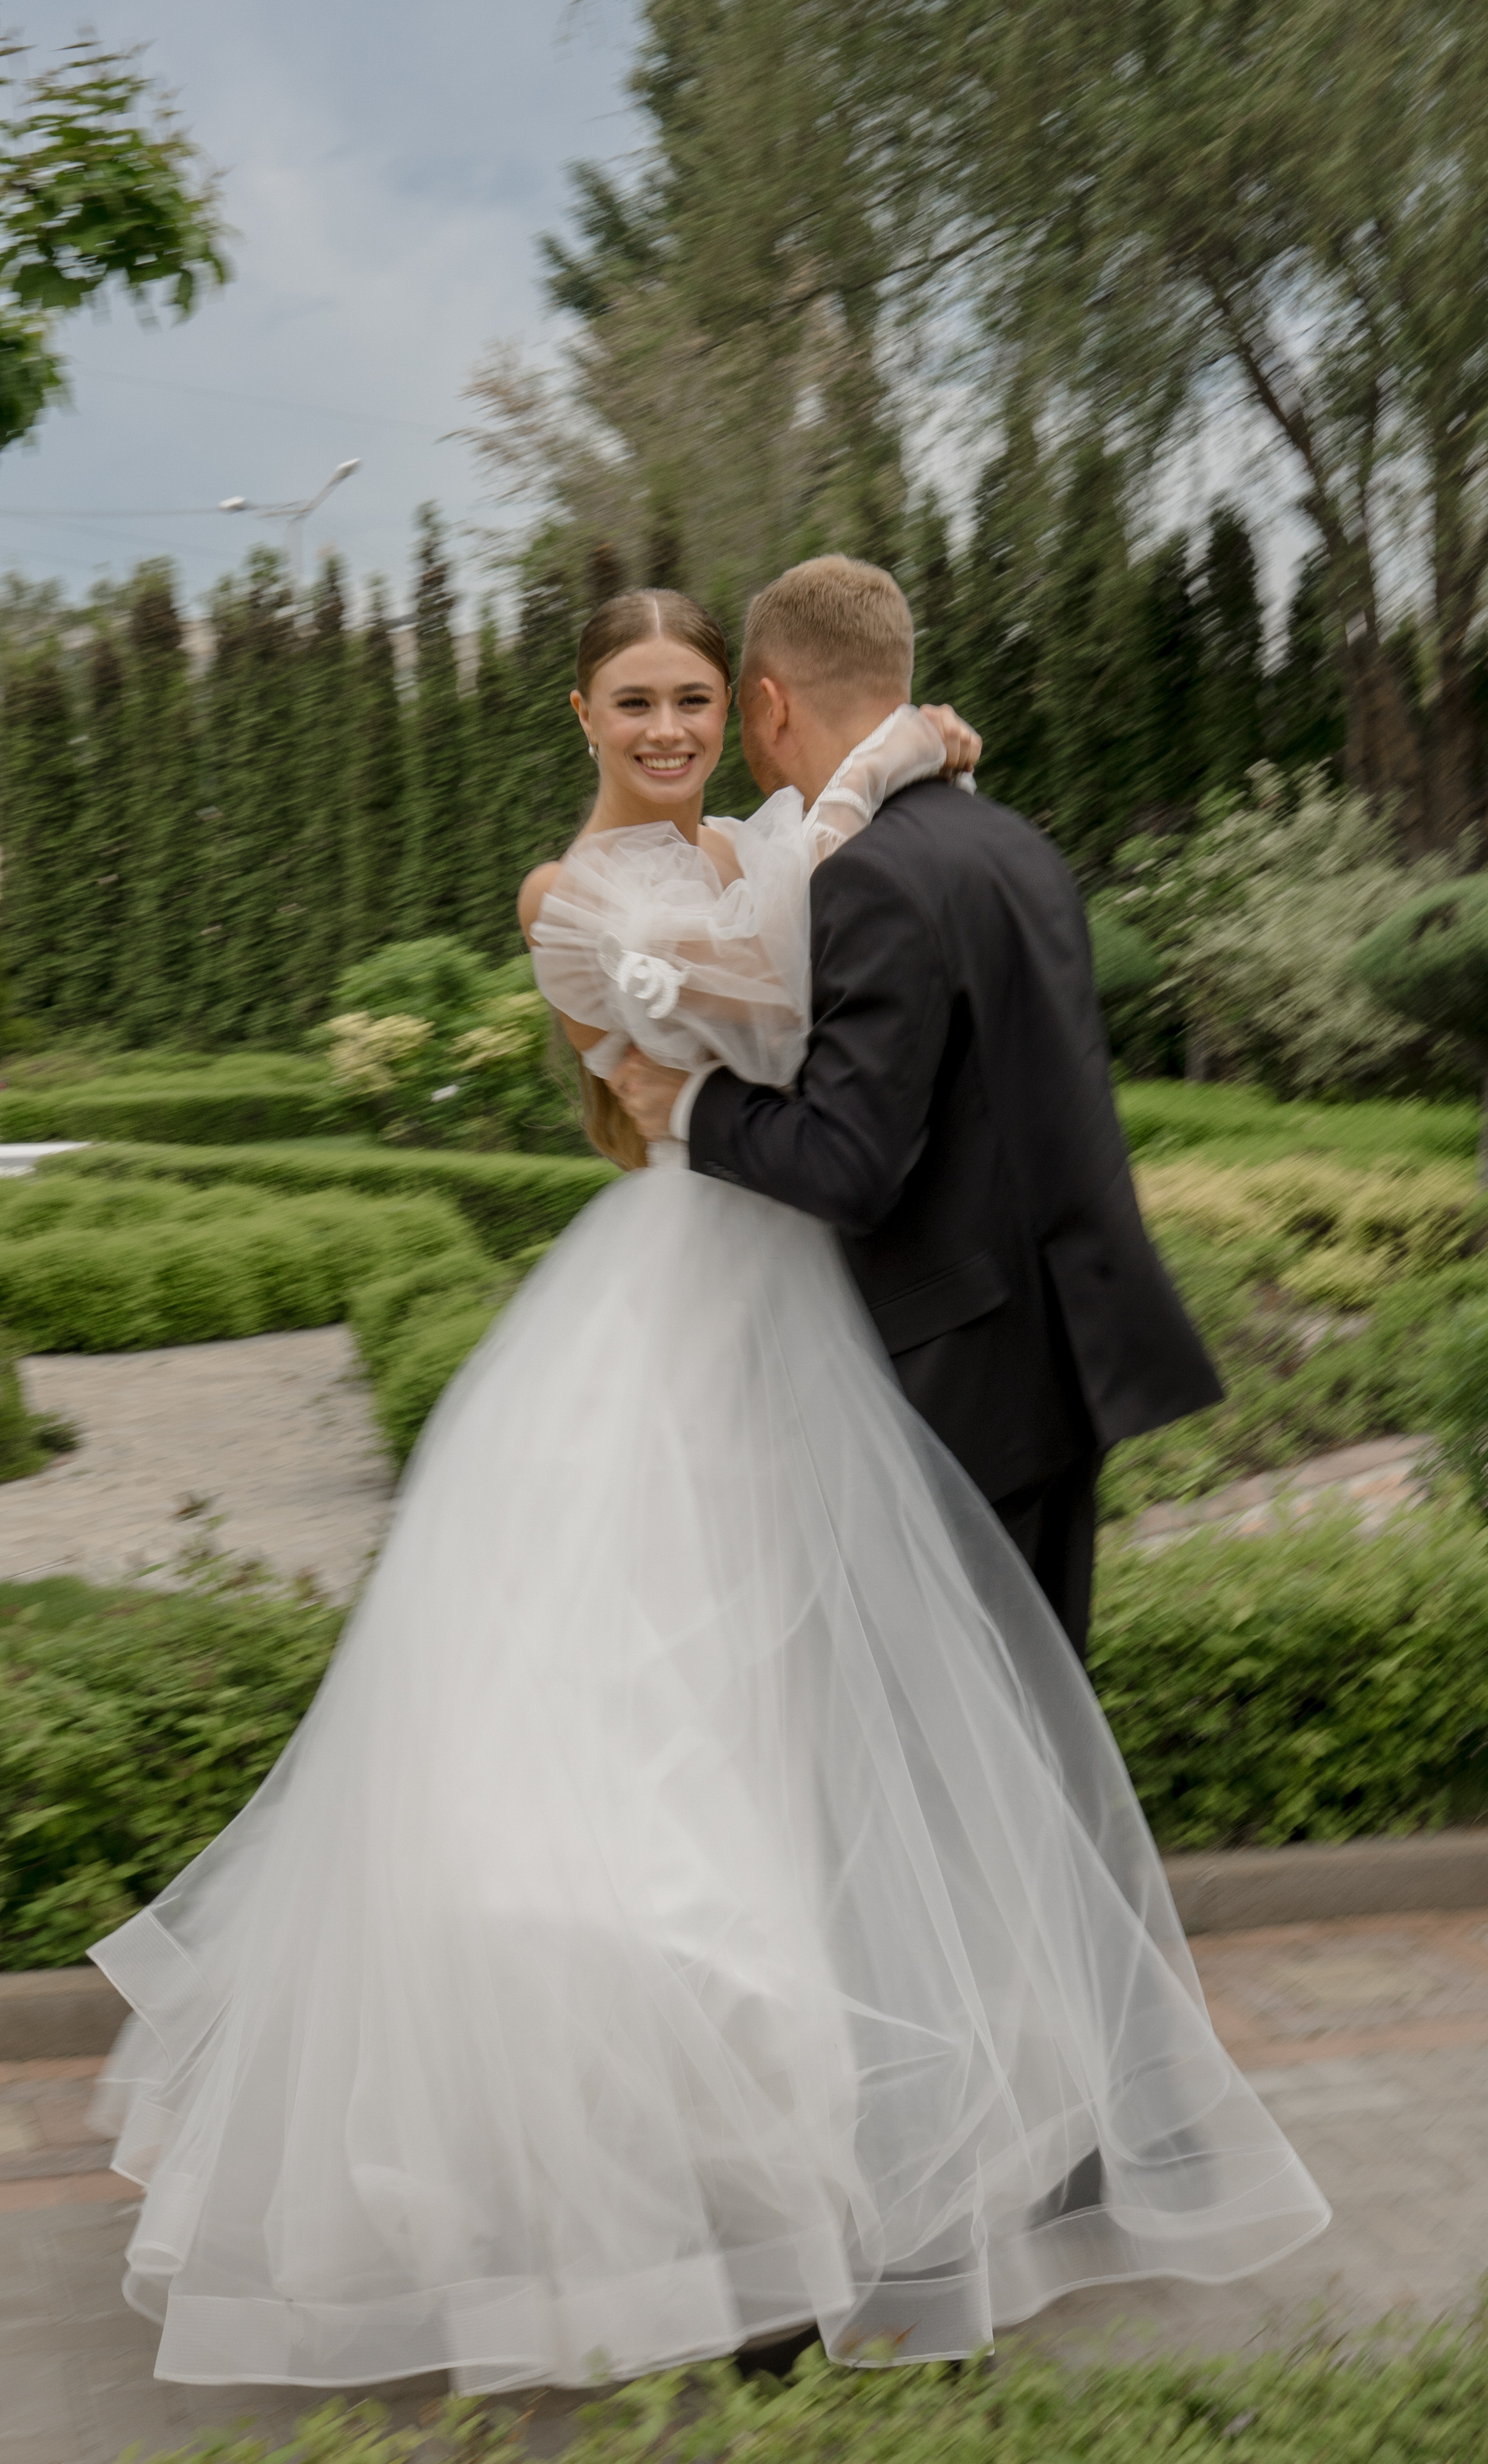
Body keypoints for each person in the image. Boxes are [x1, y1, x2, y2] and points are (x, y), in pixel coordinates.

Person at [89, 583, 1326, 2402]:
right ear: (582, 717)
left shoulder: (801, 838)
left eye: (692, 701)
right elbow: (769, 1013)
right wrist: (870, 782)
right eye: (634, 703)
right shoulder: (583, 904)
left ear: (746, 712)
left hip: (840, 1331)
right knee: (729, 1744)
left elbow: (816, 916)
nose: (668, 731)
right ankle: (759, 2194)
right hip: (713, 1303)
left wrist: (871, 767)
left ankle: (923, 2163)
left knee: (896, 1756)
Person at [613, 556, 1222, 1648]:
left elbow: (853, 1163)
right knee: (1032, 1748)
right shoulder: (1012, 842)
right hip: (1058, 1361)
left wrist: (687, 1106)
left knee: (938, 1778)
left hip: (959, 1390)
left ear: (767, 702)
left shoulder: (869, 877)